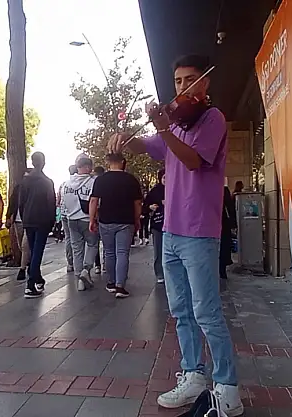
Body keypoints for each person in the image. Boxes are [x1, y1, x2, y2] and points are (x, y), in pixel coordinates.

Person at [107, 55, 243, 415]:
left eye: (190, 79)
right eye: (179, 81)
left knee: (206, 311)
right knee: (181, 310)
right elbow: (147, 146)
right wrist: (124, 140)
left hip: (199, 231)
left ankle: (228, 387)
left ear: (205, 82)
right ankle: (193, 374)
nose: (183, 87)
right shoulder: (177, 123)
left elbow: (195, 161)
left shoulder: (212, 119)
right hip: (171, 230)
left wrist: (165, 128)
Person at [89, 153, 142, 299]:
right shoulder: (131, 180)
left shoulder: (101, 179)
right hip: (126, 221)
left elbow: (93, 200)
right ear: (123, 162)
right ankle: (120, 286)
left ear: (108, 162)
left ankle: (111, 283)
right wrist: (137, 219)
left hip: (106, 220)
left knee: (109, 252)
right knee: (122, 253)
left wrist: (92, 219)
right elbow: (137, 202)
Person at [17, 152, 56, 299]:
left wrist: (24, 217)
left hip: (29, 219)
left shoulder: (25, 181)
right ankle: (30, 283)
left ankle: (38, 278)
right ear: (43, 162)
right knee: (37, 252)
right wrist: (52, 221)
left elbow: (21, 202)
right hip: (42, 220)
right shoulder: (47, 182)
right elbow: (51, 202)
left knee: (34, 250)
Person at [61, 155, 98, 291]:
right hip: (87, 219)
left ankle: (79, 279)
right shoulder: (93, 182)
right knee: (92, 244)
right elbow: (95, 201)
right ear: (87, 167)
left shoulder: (66, 184)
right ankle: (86, 269)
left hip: (71, 219)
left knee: (77, 249)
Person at [6, 168, 33, 281]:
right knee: (21, 244)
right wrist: (8, 216)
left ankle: (23, 268)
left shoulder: (34, 189)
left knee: (25, 245)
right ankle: (29, 262)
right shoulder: (18, 188)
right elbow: (12, 202)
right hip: (18, 220)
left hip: (29, 220)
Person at [144, 169, 166, 284]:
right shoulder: (155, 191)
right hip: (158, 224)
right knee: (159, 250)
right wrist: (150, 207)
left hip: (174, 225)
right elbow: (145, 206)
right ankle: (160, 273)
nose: (166, 180)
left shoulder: (176, 188)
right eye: (164, 177)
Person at [57, 164, 77, 272]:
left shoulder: (63, 184)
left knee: (68, 238)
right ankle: (79, 262)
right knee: (77, 239)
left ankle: (70, 263)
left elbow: (58, 201)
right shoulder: (78, 183)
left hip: (64, 213)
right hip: (75, 214)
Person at [220, 184, 236, 280]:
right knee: (223, 245)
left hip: (215, 222)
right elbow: (230, 208)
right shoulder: (223, 189)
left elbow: (230, 208)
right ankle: (222, 271)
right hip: (222, 222)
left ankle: (221, 270)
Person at [92, 166, 105, 274]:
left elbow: (93, 201)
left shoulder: (93, 183)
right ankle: (105, 263)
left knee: (95, 242)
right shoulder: (106, 183)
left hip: (96, 216)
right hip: (104, 216)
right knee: (107, 243)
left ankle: (97, 265)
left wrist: (92, 218)